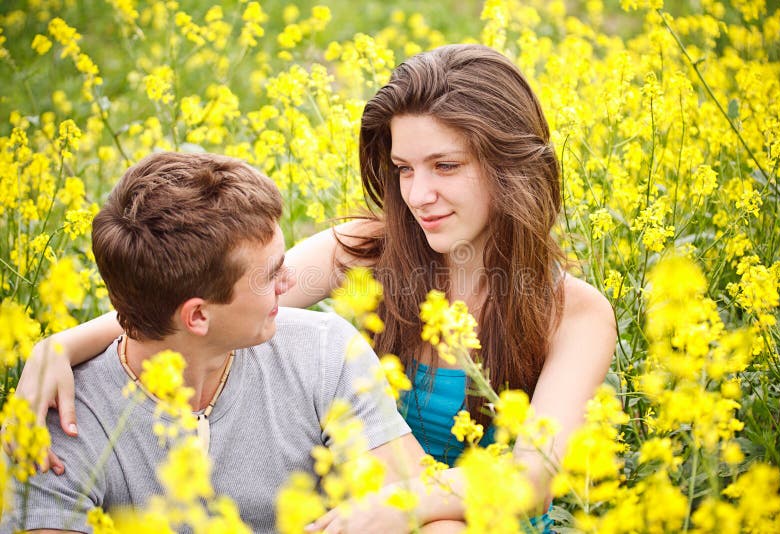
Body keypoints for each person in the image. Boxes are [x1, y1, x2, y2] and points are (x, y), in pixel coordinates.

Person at [16, 45, 616, 531]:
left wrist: (407, 505)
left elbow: (533, 480)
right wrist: (63, 346)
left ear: (510, 163)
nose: (416, 194)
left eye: (446, 166)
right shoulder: (367, 249)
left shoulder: (575, 313)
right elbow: (202, 301)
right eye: (404, 169)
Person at [2, 152, 431, 533]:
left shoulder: (324, 351)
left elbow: (420, 508)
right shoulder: (60, 416)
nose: (290, 281)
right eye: (269, 274)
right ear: (198, 316)